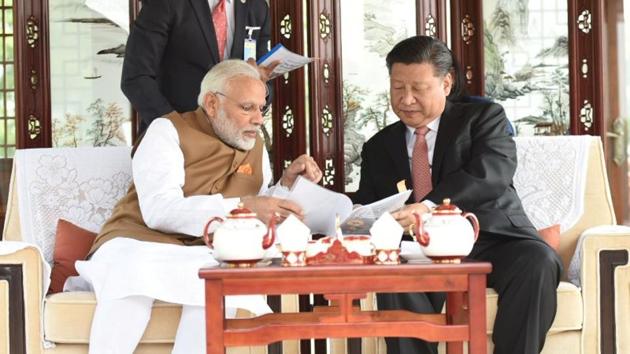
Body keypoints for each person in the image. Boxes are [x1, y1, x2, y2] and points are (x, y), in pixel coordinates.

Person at [76, 59, 322, 354]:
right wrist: (244, 207)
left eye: (261, 108)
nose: (258, 119)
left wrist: (285, 184)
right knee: (133, 272)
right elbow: (160, 211)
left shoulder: (255, 146)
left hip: (202, 254)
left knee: (215, 281)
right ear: (212, 103)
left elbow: (260, 201)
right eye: (247, 108)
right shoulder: (167, 131)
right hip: (136, 243)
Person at [353, 35, 561, 354]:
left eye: (418, 88)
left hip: (491, 236)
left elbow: (491, 173)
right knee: (390, 271)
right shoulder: (378, 147)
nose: (406, 99)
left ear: (446, 83)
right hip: (416, 251)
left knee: (538, 260)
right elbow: (369, 207)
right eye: (398, 87)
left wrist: (428, 206)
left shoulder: (483, 118)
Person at [121, 0, 276, 133]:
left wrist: (262, 88)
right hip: (173, 143)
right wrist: (176, 129)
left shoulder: (257, 7)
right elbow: (136, 76)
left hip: (233, 146)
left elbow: (264, 80)